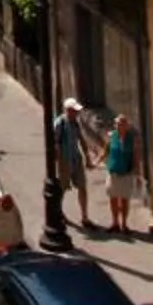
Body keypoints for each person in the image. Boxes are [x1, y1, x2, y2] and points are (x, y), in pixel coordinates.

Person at [51, 93, 92, 231]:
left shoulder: (75, 122)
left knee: (82, 187)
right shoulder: (59, 124)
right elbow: (55, 144)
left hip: (76, 158)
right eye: (75, 110)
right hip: (64, 161)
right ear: (68, 110)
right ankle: (58, 213)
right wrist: (59, 162)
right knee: (62, 189)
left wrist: (87, 156)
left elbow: (81, 139)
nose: (77, 113)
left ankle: (85, 217)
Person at [104, 110, 142, 234]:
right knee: (113, 198)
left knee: (124, 199)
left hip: (126, 172)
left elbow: (136, 158)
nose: (119, 126)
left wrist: (138, 176)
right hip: (113, 171)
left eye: (122, 124)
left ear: (127, 126)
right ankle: (115, 223)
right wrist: (96, 161)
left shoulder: (132, 139)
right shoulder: (111, 136)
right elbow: (106, 151)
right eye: (117, 124)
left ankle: (124, 224)